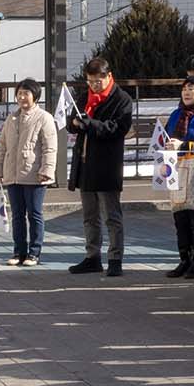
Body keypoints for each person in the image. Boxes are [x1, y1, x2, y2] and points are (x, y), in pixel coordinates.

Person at [66, 57, 133, 277]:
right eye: (90, 81)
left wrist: (89, 124)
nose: (94, 85)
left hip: (106, 164)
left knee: (111, 215)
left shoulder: (121, 99)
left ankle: (115, 258)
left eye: (98, 81)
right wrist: (75, 123)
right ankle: (92, 256)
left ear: (109, 76)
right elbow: (72, 121)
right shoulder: (85, 96)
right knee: (89, 215)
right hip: (85, 163)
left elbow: (117, 128)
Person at [0, 78, 59, 265]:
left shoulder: (44, 117)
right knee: (17, 215)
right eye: (19, 93)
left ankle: (34, 253)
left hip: (35, 174)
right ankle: (18, 252)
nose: (22, 97)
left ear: (35, 96)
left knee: (34, 214)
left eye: (26, 93)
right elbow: (2, 145)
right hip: (13, 174)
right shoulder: (12, 117)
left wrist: (46, 170)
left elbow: (50, 147)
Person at [160, 76, 194, 278]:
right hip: (176, 168)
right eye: (184, 89)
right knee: (179, 216)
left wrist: (182, 145)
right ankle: (184, 259)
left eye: (192, 89)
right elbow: (167, 136)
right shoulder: (176, 114)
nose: (187, 93)